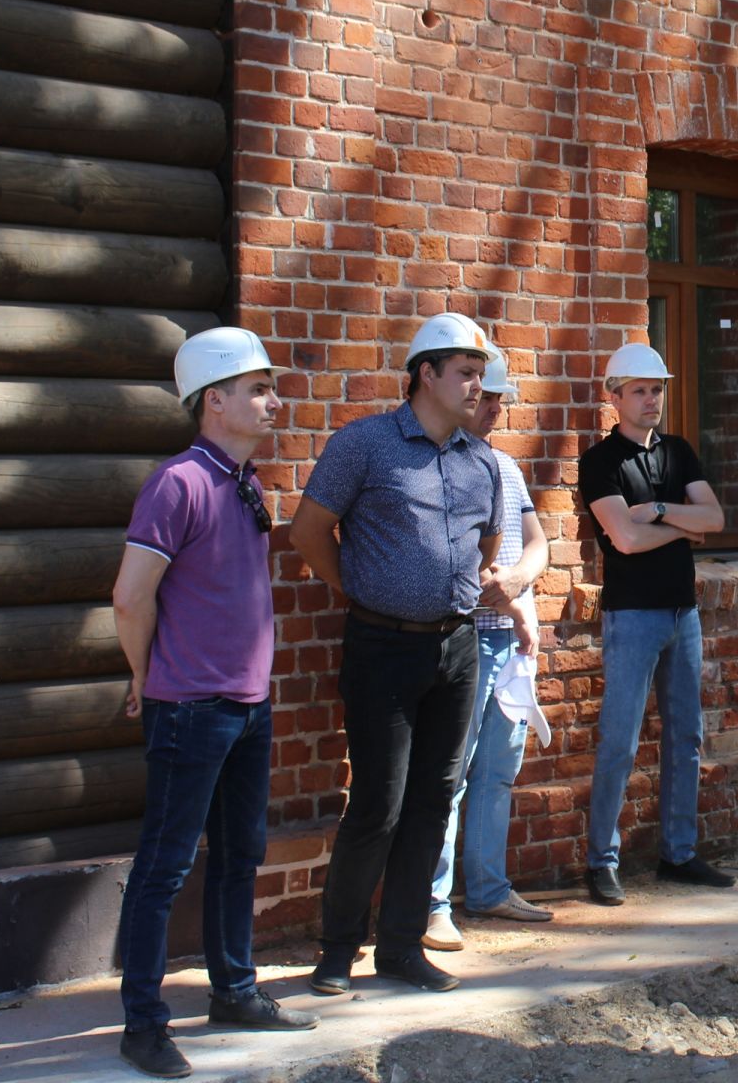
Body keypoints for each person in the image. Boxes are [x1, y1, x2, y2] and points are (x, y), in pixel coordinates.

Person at [113, 328, 316, 1079]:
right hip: (190, 708)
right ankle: (143, 1024)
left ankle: (234, 990)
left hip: (248, 705)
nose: (273, 399)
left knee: (241, 855)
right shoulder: (179, 482)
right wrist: (144, 676)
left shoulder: (246, 480)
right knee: (165, 867)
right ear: (214, 400)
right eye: (258, 389)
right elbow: (131, 598)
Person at [290, 311, 504, 996]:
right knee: (379, 803)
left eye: (481, 374)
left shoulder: (483, 462)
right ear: (426, 375)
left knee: (434, 800)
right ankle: (337, 950)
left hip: (458, 649)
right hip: (381, 645)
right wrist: (357, 586)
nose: (478, 385)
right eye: (466, 373)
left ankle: (402, 948)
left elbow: (487, 548)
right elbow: (309, 530)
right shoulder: (366, 445)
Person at [578, 342, 733, 905]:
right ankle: (602, 861)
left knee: (686, 736)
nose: (651, 399)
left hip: (681, 611)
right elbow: (625, 538)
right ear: (614, 397)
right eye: (640, 390)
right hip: (632, 614)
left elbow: (713, 519)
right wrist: (679, 528)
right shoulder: (601, 461)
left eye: (657, 389)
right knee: (619, 741)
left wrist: (661, 512)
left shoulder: (679, 452)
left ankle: (680, 853)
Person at [423, 359, 554, 951]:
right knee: (449, 775)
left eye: (499, 398)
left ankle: (489, 888)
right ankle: (433, 904)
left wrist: (520, 587)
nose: (495, 408)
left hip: (506, 638)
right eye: (488, 398)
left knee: (498, 770)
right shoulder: (437, 461)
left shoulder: (503, 464)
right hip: (463, 636)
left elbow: (536, 543)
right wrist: (499, 592)